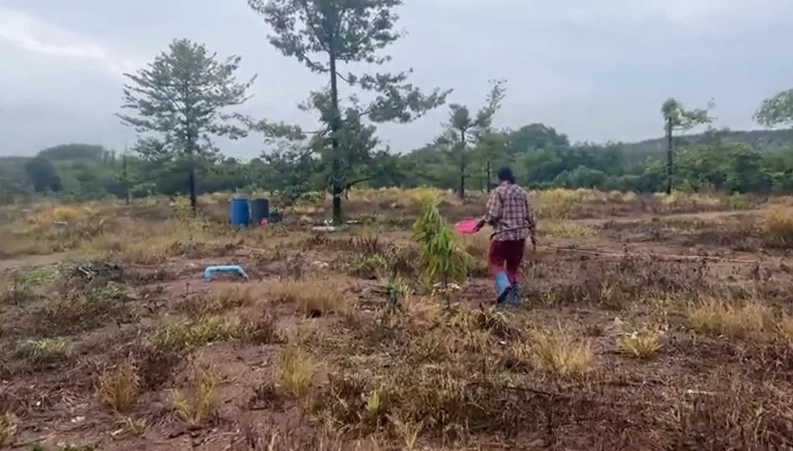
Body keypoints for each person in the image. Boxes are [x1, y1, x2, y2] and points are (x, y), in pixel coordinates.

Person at [474, 167, 537, 305]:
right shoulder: (521, 191)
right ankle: (514, 300)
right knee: (513, 268)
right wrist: (533, 234)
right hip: (520, 236)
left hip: (503, 236)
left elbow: (493, 214)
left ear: (500, 178)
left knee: (495, 263)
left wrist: (482, 222)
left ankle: (504, 286)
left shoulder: (498, 192)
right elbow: (531, 216)